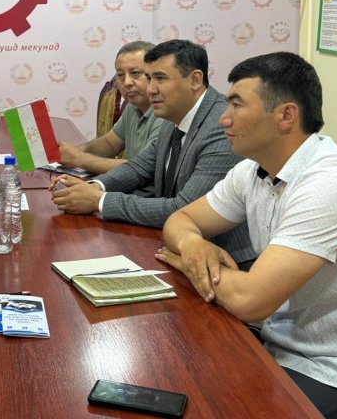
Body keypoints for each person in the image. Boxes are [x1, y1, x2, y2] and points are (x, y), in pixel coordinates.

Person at [157, 52, 337, 417]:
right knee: (178, 374)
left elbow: (251, 300)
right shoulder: (253, 170)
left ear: (286, 116)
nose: (223, 118)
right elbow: (181, 219)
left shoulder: (332, 184)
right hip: (281, 346)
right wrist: (192, 245)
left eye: (237, 105)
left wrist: (187, 264)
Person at [51, 39, 255, 268]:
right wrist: (95, 187)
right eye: (149, 79)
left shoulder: (220, 126)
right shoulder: (173, 113)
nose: (150, 89)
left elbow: (183, 209)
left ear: (195, 80)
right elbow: (140, 167)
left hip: (228, 262)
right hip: (178, 247)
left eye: (160, 78)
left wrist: (100, 201)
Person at [58, 41, 162, 180]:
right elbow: (109, 144)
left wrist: (80, 159)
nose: (127, 82)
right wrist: (75, 151)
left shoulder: (166, 114)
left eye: (135, 73)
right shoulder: (133, 106)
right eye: (120, 75)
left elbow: (141, 167)